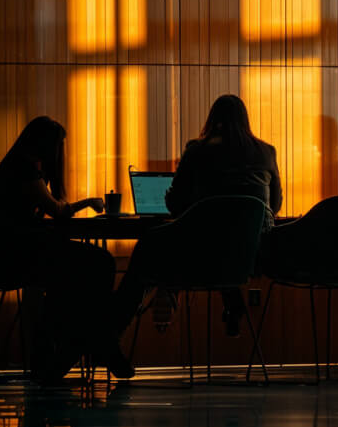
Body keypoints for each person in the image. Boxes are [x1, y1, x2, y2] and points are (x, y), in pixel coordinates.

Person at [115, 95, 282, 335]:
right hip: (250, 256)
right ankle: (228, 295)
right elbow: (274, 206)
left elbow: (176, 204)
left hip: (200, 253)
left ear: (211, 119)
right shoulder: (267, 152)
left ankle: (116, 328)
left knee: (150, 247)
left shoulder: (197, 151)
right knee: (224, 242)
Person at [0, 115, 134, 380]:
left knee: (83, 273)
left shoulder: (12, 167)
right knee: (101, 263)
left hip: (6, 252)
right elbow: (57, 210)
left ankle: (77, 349)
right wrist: (87, 202)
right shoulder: (25, 170)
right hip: (20, 255)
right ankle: (96, 344)